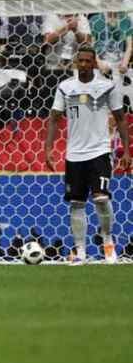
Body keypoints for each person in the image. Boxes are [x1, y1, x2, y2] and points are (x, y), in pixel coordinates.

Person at [44, 46, 131, 265]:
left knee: (101, 198)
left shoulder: (106, 87)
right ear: (76, 62)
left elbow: (120, 118)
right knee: (76, 203)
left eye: (87, 61)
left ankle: (108, 244)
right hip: (74, 154)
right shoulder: (65, 87)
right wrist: (48, 149)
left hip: (99, 151)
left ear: (93, 63)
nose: (83, 64)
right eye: (80, 61)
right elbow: (54, 118)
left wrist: (127, 150)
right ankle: (80, 251)